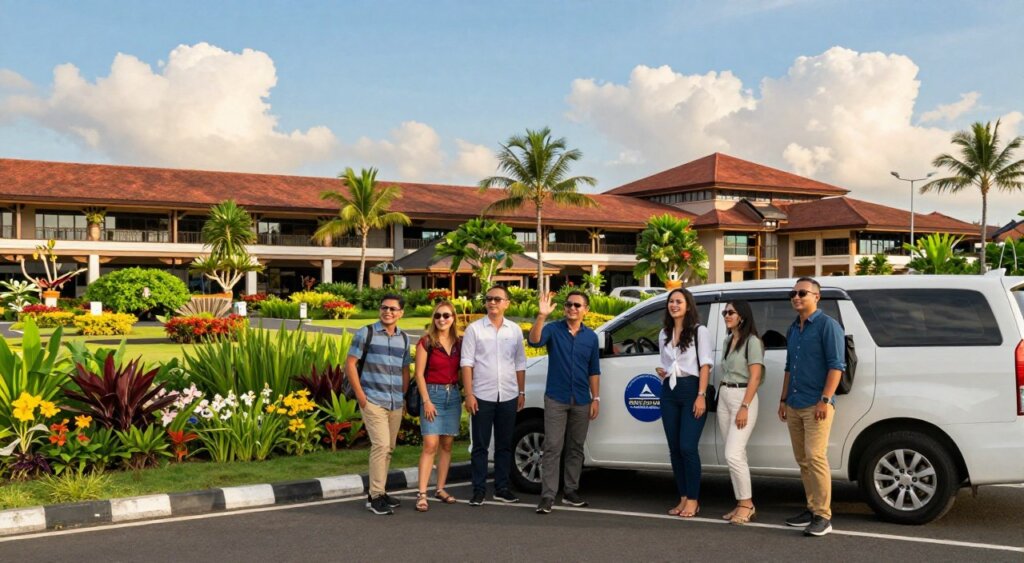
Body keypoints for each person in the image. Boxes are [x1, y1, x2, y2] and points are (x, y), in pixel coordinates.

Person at [777, 277, 845, 537]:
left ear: (817, 297)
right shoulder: (793, 328)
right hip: (794, 403)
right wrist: (783, 400)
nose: (796, 297)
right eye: (793, 293)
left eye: (802, 293)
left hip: (817, 404)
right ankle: (812, 507)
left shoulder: (828, 326)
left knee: (816, 457)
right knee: (803, 460)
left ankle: (823, 516)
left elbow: (836, 366)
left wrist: (825, 400)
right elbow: (788, 367)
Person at [528, 290, 601, 514]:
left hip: (581, 399)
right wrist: (541, 316)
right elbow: (534, 341)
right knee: (552, 447)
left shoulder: (591, 337)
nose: (572, 308)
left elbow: (594, 370)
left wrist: (595, 397)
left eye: (577, 305)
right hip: (556, 398)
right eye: (569, 304)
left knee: (575, 448)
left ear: (585, 310)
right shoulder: (553, 329)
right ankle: (548, 496)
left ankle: (570, 492)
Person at [345, 293, 412, 516]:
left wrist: (402, 395)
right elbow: (351, 364)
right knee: (381, 446)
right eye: (384, 308)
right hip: (372, 399)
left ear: (401, 313)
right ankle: (375, 497)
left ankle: (380, 492)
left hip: (394, 401)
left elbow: (405, 369)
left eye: (393, 309)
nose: (388, 312)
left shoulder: (404, 338)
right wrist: (361, 396)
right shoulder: (367, 332)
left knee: (389, 449)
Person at [461, 285, 527, 507]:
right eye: (489, 299)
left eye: (498, 299)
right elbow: (467, 363)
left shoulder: (514, 330)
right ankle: (478, 490)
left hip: (508, 394)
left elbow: (519, 362)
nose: (492, 303)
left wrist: (521, 391)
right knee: (480, 446)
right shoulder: (474, 329)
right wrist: (469, 394)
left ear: (507, 303)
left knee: (504, 445)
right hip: (481, 395)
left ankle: (502, 488)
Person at [655, 288, 713, 518]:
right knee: (674, 449)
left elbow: (705, 365)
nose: (674, 305)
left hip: (692, 389)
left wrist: (700, 395)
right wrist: (664, 371)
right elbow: (667, 362)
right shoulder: (663, 333)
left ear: (688, 305)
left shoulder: (700, 331)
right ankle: (682, 497)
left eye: (679, 301)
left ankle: (693, 499)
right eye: (671, 301)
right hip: (669, 390)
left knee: (688, 447)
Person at [717, 300, 764, 525]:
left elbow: (755, 376)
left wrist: (744, 406)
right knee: (736, 454)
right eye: (725, 312)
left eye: (731, 312)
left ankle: (747, 503)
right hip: (725, 396)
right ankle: (740, 503)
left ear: (742, 316)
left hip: (742, 398)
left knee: (732, 454)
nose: (726, 315)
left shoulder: (752, 342)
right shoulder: (728, 340)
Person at [413, 300, 463, 512]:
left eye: (446, 315)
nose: (441, 319)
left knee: (447, 445)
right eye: (438, 316)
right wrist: (426, 401)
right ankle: (422, 493)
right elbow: (418, 374)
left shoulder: (460, 343)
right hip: (432, 394)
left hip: (453, 396)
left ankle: (440, 488)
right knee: (430, 444)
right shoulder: (426, 342)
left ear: (453, 318)